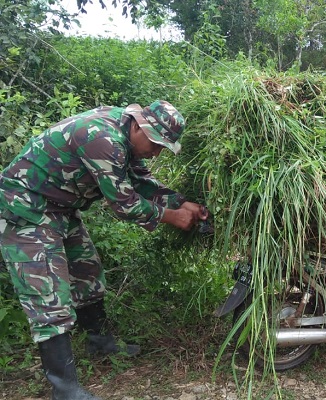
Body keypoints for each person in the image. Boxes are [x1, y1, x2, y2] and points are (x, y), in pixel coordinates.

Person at [0, 100, 208, 400]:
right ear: (138, 125)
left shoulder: (125, 133)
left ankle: (99, 342)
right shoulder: (102, 138)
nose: (156, 152)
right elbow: (124, 204)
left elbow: (140, 180)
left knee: (88, 273)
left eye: (163, 147)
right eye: (155, 143)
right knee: (47, 293)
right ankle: (65, 389)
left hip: (60, 208)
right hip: (26, 208)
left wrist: (179, 201)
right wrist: (171, 216)